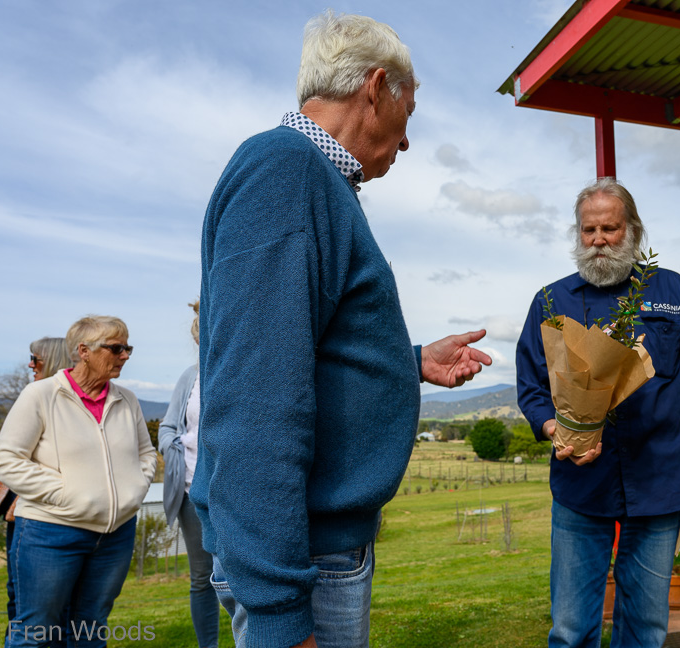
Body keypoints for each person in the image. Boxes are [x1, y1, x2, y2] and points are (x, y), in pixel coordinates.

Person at [192, 10, 492, 648]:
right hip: (306, 559)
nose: (407, 142)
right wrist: (277, 611)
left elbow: (303, 348)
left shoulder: (312, 179)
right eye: (408, 115)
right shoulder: (287, 173)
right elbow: (255, 401)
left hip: (317, 549)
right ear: (375, 87)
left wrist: (408, 360)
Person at [516, 177, 680, 648]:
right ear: (577, 234)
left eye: (609, 228)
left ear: (632, 231)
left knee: (646, 628)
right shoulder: (551, 301)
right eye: (589, 230)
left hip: (661, 479)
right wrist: (555, 428)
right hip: (580, 485)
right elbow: (531, 387)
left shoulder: (673, 291)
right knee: (569, 630)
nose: (599, 240)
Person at [0, 315, 157, 648]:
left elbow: (147, 454)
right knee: (36, 632)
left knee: (91, 630)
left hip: (115, 537)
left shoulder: (127, 400)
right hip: (51, 532)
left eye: (128, 348)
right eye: (116, 348)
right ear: (84, 350)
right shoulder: (39, 395)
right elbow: (8, 462)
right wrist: (66, 494)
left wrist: (134, 490)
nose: (125, 355)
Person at [0, 336, 75, 629]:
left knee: (61, 599)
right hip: (19, 511)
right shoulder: (31, 397)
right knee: (17, 593)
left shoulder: (71, 406)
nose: (30, 364)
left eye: (35, 359)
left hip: (52, 512)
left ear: (52, 362)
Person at [158, 301, 221, 648]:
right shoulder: (190, 375)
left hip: (229, 492)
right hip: (191, 491)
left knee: (243, 573)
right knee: (202, 578)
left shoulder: (236, 369)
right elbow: (167, 427)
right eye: (200, 337)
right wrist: (177, 447)